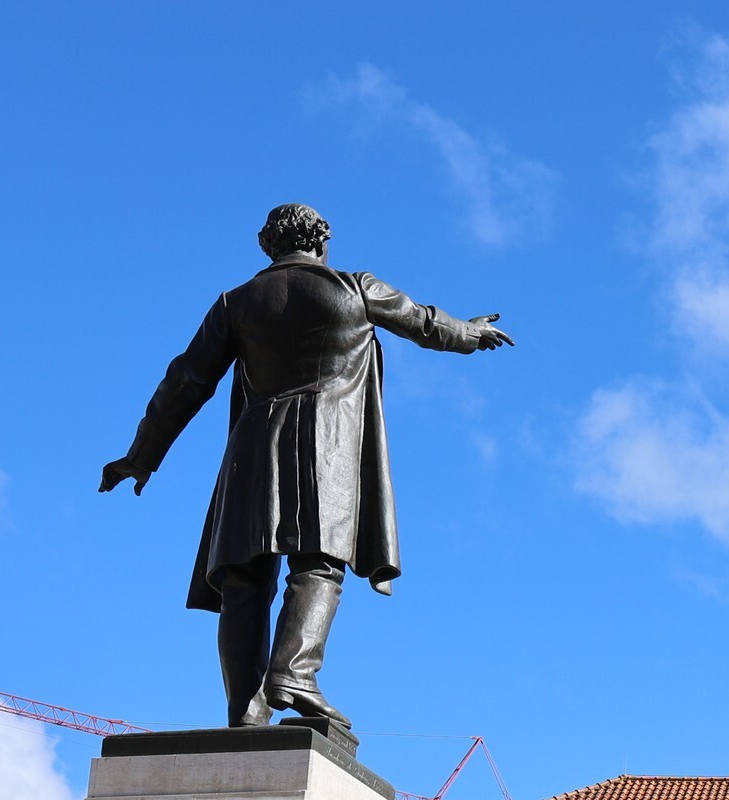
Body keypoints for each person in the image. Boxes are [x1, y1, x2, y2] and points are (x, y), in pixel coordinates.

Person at [101, 203, 515, 731]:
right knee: (317, 564)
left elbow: (185, 381)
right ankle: (294, 672)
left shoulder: (237, 303)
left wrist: (141, 456)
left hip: (252, 449)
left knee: (244, 580)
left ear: (267, 244)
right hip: (329, 446)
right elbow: (426, 324)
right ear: (322, 241)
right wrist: (472, 332)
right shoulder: (355, 289)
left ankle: (245, 711)